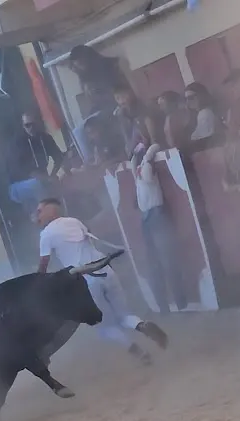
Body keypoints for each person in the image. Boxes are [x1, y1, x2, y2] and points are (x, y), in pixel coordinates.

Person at [36, 197, 168, 365]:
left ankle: (140, 353)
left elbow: (43, 265)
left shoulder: (46, 234)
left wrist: (37, 285)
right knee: (125, 315)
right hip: (107, 272)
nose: (37, 215)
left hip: (87, 282)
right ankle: (142, 326)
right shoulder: (74, 222)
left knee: (104, 329)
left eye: (40, 211)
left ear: (50, 210)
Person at [131, 143, 187, 315]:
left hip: (155, 216)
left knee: (165, 261)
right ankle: (168, 304)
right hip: (150, 217)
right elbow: (135, 162)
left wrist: (147, 154)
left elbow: (152, 152)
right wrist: (141, 153)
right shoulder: (140, 168)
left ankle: (177, 302)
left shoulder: (146, 168)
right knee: (156, 262)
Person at [8, 112, 65, 215]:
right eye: (27, 125)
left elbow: (59, 157)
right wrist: (46, 178)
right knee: (37, 185)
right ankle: (46, 217)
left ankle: (64, 215)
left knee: (59, 182)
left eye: (33, 124)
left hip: (41, 179)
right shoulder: (18, 143)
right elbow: (22, 169)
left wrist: (53, 174)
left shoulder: (45, 138)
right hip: (17, 186)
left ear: (38, 123)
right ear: (23, 126)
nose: (31, 128)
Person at [68, 44, 129, 116]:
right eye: (76, 66)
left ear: (91, 58)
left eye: (81, 64)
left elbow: (126, 92)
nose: (79, 69)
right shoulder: (84, 80)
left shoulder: (115, 66)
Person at [113, 84, 156, 159]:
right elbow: (125, 135)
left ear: (130, 94)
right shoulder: (121, 114)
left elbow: (149, 123)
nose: (121, 101)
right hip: (135, 148)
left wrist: (153, 142)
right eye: (118, 98)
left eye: (123, 97)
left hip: (148, 144)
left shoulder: (141, 106)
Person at [184, 82, 223, 147]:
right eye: (186, 99)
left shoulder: (205, 114)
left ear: (201, 96)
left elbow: (207, 142)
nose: (188, 102)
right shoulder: (202, 113)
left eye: (191, 98)